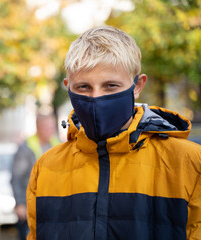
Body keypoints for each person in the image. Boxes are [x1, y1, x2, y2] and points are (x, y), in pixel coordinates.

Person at [26, 26, 201, 240]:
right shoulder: (46, 167)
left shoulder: (190, 163)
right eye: (83, 87)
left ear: (137, 86)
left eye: (110, 86)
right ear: (68, 87)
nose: (96, 97)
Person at [11, 113, 60, 240]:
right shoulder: (26, 149)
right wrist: (20, 203)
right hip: (31, 204)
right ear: (38, 128)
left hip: (52, 203)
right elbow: (16, 178)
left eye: (52, 127)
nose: (50, 130)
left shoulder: (58, 145)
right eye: (46, 127)